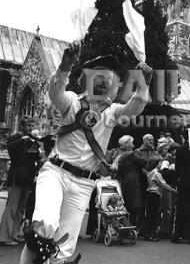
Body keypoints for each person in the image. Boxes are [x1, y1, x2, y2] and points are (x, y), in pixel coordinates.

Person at [19, 43, 151, 264]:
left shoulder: (112, 112)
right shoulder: (71, 101)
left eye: (112, 82)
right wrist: (65, 65)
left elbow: (135, 107)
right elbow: (55, 92)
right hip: (55, 173)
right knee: (44, 226)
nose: (109, 86)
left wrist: (144, 84)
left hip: (83, 184)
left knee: (64, 247)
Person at [0, 116, 41, 246]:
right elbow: (11, 149)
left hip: (27, 177)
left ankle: (15, 234)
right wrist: (24, 139)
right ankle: (4, 237)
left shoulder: (32, 140)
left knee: (21, 208)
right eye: (28, 126)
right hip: (16, 177)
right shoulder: (15, 138)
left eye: (32, 126)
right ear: (22, 126)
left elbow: (35, 156)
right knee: (12, 207)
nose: (31, 128)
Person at [141, 159, 177, 241]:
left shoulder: (150, 173)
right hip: (155, 194)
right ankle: (150, 234)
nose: (162, 165)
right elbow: (163, 184)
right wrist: (174, 191)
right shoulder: (157, 174)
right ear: (157, 164)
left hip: (150, 194)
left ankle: (147, 232)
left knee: (150, 214)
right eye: (161, 163)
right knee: (153, 215)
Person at [117, 135, 147, 227]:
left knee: (126, 205)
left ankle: (125, 226)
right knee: (134, 206)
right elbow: (144, 161)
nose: (133, 145)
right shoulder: (132, 154)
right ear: (127, 144)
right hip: (134, 182)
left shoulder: (120, 155)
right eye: (132, 143)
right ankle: (131, 227)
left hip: (124, 181)